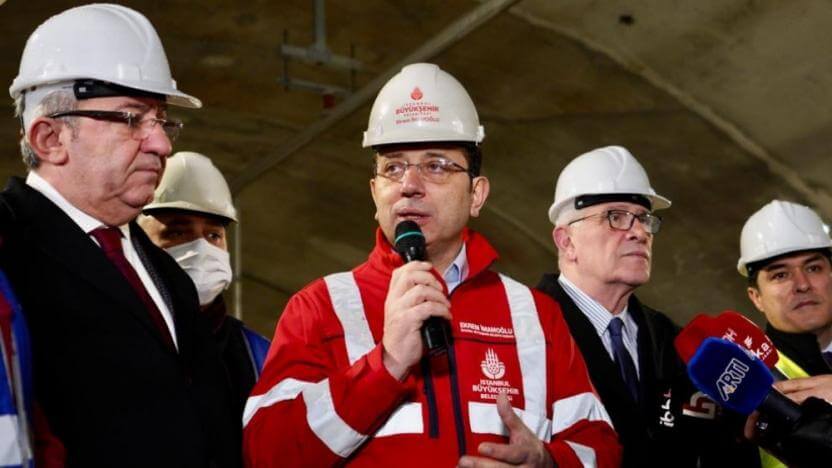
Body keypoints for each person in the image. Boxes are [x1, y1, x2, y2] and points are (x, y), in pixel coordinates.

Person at [243, 63, 621, 467]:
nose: (409, 185)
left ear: (477, 195)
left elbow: (601, 449)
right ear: (375, 193)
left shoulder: (537, 316)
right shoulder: (319, 309)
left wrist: (547, 461)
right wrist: (386, 364)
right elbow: (265, 454)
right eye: (393, 167)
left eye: (436, 165)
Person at [2, 4, 239, 466]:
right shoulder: (8, 251)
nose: (162, 144)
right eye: (132, 119)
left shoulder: (167, 275)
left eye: (162, 121)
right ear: (50, 138)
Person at [536, 146, 758, 467]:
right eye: (616, 217)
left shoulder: (675, 341)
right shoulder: (524, 330)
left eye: (644, 219)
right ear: (566, 241)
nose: (639, 232)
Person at [139, 150, 270, 419]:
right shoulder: (107, 337)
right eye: (178, 232)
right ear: (137, 244)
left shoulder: (258, 355)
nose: (201, 247)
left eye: (213, 235)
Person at [738, 199, 832, 467]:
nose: (802, 284)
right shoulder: (745, 379)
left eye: (813, 268)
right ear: (756, 297)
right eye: (780, 275)